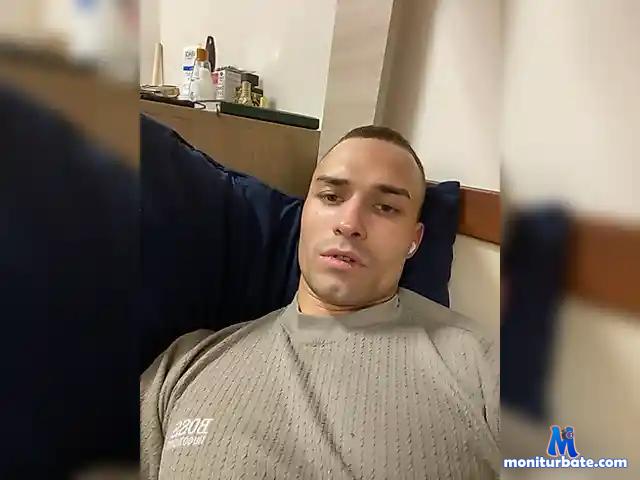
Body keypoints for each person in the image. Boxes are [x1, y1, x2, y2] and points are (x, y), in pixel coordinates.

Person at [140, 126, 499, 479]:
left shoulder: (483, 364)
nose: (349, 223)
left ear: (414, 240)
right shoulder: (185, 365)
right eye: (331, 197)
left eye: (385, 207)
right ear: (305, 213)